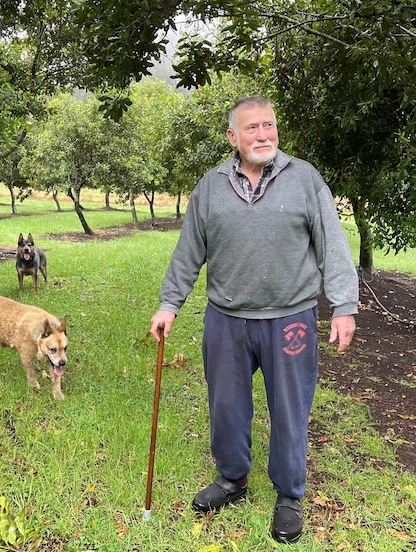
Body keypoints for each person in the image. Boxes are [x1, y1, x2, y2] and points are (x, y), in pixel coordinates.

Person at [150, 95, 358, 544]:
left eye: (269, 126)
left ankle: (289, 495)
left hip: (291, 319)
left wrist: (344, 306)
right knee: (226, 406)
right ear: (232, 137)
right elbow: (189, 253)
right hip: (226, 319)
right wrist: (169, 304)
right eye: (252, 128)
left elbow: (332, 244)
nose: (263, 135)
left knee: (290, 408)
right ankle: (232, 480)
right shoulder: (209, 187)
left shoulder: (305, 178)